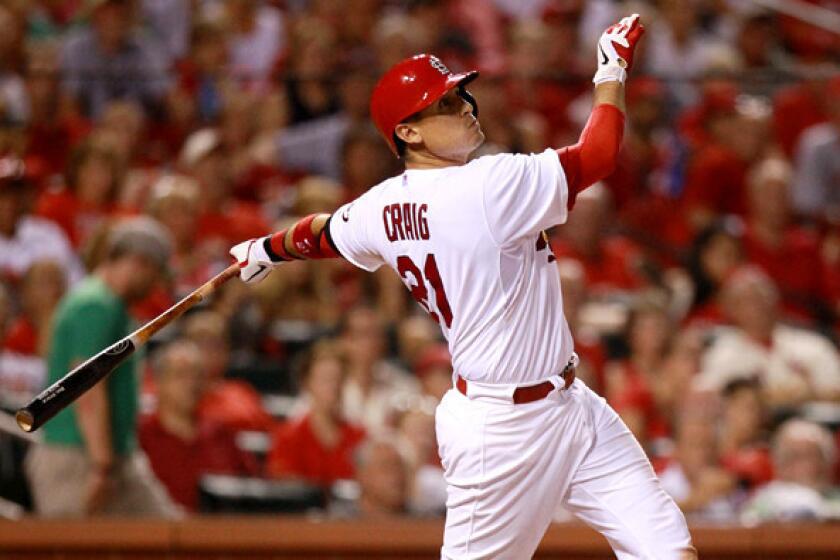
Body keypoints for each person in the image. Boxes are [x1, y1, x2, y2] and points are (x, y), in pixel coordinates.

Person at [231, 14, 697, 559]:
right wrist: (611, 70)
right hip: (500, 429)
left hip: (574, 406)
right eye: (446, 105)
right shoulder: (486, 184)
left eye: (461, 96)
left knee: (668, 552)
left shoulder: (381, 205)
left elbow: (322, 233)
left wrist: (266, 248)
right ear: (407, 132)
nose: (466, 108)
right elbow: (597, 155)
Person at [25, 217, 178, 518]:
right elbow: (86, 390)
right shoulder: (95, 305)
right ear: (138, 262)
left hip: (113, 457)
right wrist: (102, 466)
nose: (156, 284)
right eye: (154, 272)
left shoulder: (109, 305)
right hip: (78, 458)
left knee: (170, 537)